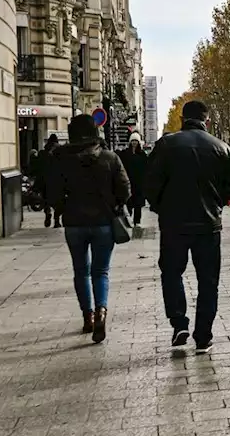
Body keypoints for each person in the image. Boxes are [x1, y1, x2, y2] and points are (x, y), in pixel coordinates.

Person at [145, 100, 230, 354]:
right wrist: (216, 204)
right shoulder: (221, 148)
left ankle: (179, 323)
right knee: (208, 281)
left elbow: (150, 182)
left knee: (171, 273)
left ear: (182, 118)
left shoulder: (166, 144)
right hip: (208, 225)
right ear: (206, 120)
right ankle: (203, 336)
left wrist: (160, 207)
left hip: (173, 223)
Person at [47, 114, 131, 343]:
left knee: (80, 270)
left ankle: (88, 316)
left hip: (74, 223)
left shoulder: (61, 159)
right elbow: (125, 189)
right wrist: (115, 205)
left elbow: (52, 192)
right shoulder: (109, 158)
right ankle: (102, 311)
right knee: (101, 271)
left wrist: (64, 208)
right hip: (103, 222)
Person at [118, 136, 150, 226]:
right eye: (133, 141)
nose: (134, 142)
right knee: (129, 201)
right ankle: (129, 217)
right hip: (128, 180)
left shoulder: (142, 154)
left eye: (136, 141)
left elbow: (146, 168)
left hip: (139, 182)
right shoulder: (125, 154)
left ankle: (137, 221)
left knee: (138, 203)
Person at [33, 133, 62, 228]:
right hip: (57, 181)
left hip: (44, 180)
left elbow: (37, 167)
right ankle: (57, 220)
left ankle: (47, 212)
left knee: (46, 199)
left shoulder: (42, 153)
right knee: (58, 201)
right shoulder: (60, 153)